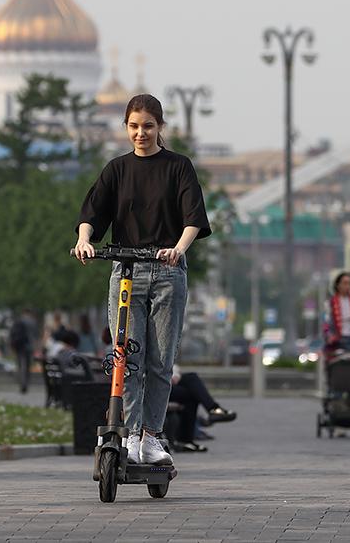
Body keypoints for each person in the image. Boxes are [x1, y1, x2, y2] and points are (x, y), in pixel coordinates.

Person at [73, 93, 211, 466]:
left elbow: (193, 218)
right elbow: (92, 213)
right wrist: (85, 240)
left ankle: (151, 436)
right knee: (126, 358)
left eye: (148, 126)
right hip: (126, 272)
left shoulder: (178, 167)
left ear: (160, 127)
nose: (140, 133)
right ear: (126, 127)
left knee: (160, 362)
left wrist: (178, 249)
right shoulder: (117, 169)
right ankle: (130, 434)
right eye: (133, 126)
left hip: (167, 271)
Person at [167, 364, 237, 452]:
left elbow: (171, 364)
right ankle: (214, 410)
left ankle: (185, 441)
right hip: (152, 389)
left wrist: (174, 374)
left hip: (163, 383)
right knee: (191, 387)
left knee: (191, 381)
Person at [9, 310, 36, 393]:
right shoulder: (33, 322)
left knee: (20, 366)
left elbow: (12, 333)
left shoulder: (19, 321)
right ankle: (26, 383)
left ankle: (22, 383)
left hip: (20, 346)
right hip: (30, 347)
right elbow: (36, 335)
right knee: (28, 366)